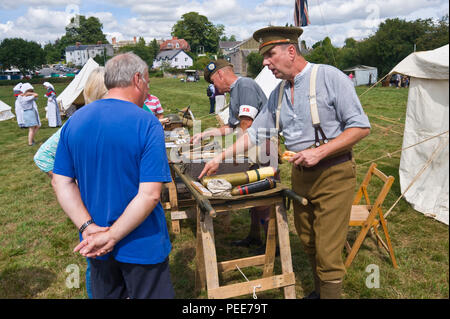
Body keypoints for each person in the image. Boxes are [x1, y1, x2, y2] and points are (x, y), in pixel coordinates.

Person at [199, 26, 371, 299]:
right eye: (264, 56)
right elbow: (254, 133)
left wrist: (320, 152)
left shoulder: (328, 77)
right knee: (309, 241)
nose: (265, 63)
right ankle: (318, 291)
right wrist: (220, 157)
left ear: (291, 51)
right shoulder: (279, 93)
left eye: (270, 55)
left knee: (327, 251)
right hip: (302, 175)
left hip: (335, 173)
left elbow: (360, 128)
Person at [52, 52, 174, 299]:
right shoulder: (147, 123)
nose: (148, 91)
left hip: (95, 243)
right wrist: (112, 236)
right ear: (137, 79)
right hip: (141, 244)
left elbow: (61, 181)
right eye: (148, 82)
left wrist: (87, 227)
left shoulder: (75, 121)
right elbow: (150, 195)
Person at [34, 67, 108, 299]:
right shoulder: (79, 122)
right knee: (97, 261)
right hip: (92, 207)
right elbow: (43, 157)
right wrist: (71, 183)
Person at [193, 59, 271, 253]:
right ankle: (254, 236)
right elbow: (231, 127)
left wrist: (232, 154)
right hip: (252, 147)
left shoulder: (244, 84)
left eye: (213, 81)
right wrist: (205, 134)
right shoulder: (236, 90)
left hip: (263, 148)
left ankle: (273, 243)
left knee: (265, 198)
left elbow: (246, 124)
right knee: (254, 194)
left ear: (220, 74)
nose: (214, 87)